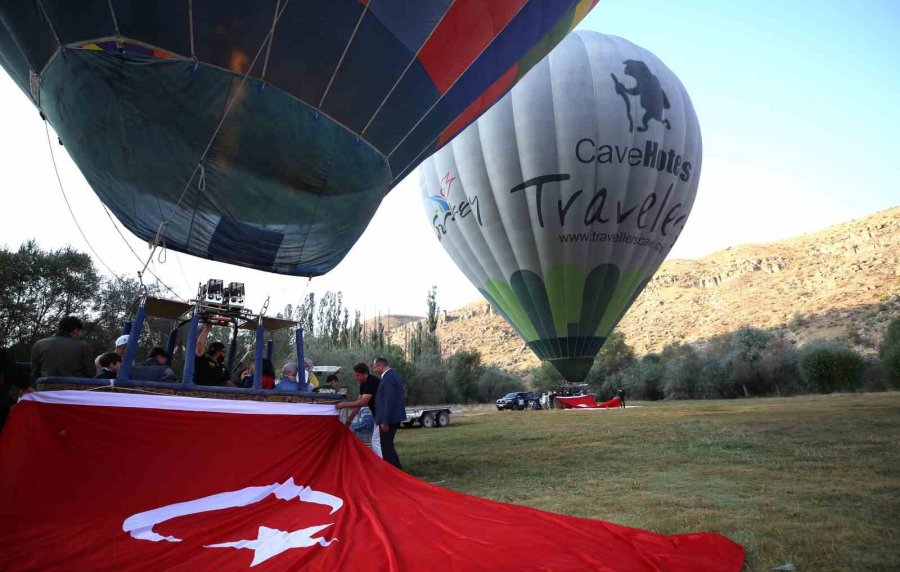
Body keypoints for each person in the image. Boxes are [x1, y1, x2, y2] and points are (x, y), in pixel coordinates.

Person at [335, 363, 381, 456]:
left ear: (365, 373)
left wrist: (344, 404)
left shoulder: (372, 381)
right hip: (378, 414)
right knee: (379, 441)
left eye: (358, 375)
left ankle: (382, 462)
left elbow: (363, 402)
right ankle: (388, 462)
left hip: (382, 414)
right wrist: (349, 420)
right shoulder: (363, 384)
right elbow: (358, 404)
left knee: (376, 441)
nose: (357, 378)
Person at [31, 316, 96, 380]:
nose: (78, 335)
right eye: (79, 332)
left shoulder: (39, 344)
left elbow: (35, 372)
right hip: (74, 385)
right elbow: (91, 372)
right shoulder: (83, 346)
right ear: (75, 330)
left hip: (46, 385)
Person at [372, 356, 406, 470]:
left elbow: (389, 400)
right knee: (389, 446)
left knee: (386, 448)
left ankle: (392, 473)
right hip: (393, 418)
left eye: (375, 367)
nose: (374, 370)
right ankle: (398, 471)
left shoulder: (389, 378)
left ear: (381, 366)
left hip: (389, 419)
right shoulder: (393, 375)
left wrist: (385, 421)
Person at [193, 321, 234, 387]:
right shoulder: (203, 360)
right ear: (217, 351)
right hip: (201, 391)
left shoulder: (222, 367)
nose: (224, 354)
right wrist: (207, 329)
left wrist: (241, 391)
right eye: (223, 351)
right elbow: (200, 343)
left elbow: (228, 382)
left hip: (217, 392)